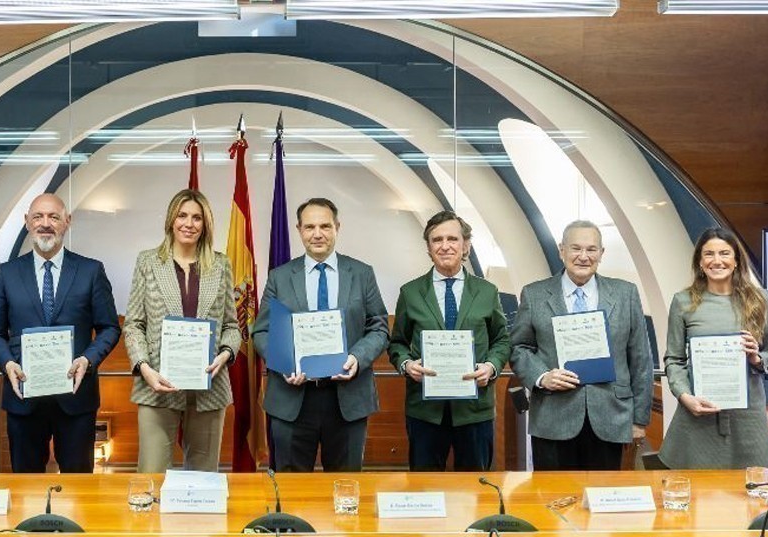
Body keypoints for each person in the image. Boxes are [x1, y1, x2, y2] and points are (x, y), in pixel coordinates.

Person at [0, 193, 121, 473]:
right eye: (38, 217)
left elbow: (109, 327)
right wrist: (7, 363)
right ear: (27, 222)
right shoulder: (7, 273)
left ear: (67, 222)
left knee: (79, 488)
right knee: (25, 487)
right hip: (23, 398)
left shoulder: (90, 270)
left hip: (76, 398)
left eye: (54, 217)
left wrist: (88, 360)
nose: (45, 224)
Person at [251, 198, 389, 472]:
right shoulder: (280, 276)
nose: (317, 233)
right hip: (293, 397)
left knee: (345, 488)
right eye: (310, 226)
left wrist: (356, 357)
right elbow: (261, 331)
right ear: (299, 230)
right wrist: (284, 362)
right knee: (290, 490)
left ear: (337, 227)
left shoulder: (361, 274)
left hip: (347, 398)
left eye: (325, 226)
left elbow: (379, 327)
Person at [510, 220, 652, 471]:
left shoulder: (625, 293)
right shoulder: (535, 294)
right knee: (553, 499)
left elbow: (640, 359)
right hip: (553, 416)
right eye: (576, 248)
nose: (583, 256)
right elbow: (519, 347)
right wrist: (542, 376)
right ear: (561, 250)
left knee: (602, 500)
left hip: (611, 417)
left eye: (591, 249)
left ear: (601, 253)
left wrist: (639, 420)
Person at [123, 189, 241, 473]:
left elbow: (232, 326)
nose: (189, 223)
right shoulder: (148, 262)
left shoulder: (221, 264)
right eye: (182, 215)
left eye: (197, 218)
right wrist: (144, 368)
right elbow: (134, 324)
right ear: (171, 220)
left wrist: (225, 354)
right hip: (157, 386)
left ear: (205, 224)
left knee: (203, 480)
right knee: (151, 477)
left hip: (209, 387)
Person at [388, 211, 510, 471]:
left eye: (452, 239)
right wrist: (407, 365)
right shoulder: (410, 293)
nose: (445, 246)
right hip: (425, 410)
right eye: (437, 240)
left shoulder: (487, 292)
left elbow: (502, 340)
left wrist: (491, 366)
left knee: (476, 490)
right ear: (429, 248)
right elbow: (397, 343)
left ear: (465, 245)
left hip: (475, 408)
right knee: (425, 487)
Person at [658, 228, 768, 469]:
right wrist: (685, 397)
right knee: (697, 497)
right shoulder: (683, 301)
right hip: (698, 414)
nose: (717, 261)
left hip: (747, 417)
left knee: (753, 494)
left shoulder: (761, 300)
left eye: (724, 253)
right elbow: (674, 359)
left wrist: (756, 358)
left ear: (736, 261)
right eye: (709, 254)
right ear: (700, 262)